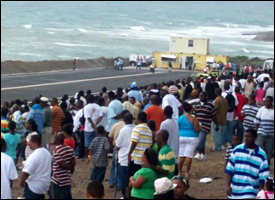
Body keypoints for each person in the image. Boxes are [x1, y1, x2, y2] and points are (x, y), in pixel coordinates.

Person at [226, 129, 270, 199]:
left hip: (251, 191)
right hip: (235, 190)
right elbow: (229, 169)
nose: (246, 139)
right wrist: (228, 186)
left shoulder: (261, 155)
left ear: (255, 138)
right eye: (245, 136)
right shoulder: (237, 150)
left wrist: (260, 192)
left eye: (249, 137)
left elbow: (263, 176)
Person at [127, 112, 152, 198]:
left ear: (138, 119)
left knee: (131, 180)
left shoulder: (136, 128)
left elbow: (134, 142)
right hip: (145, 161)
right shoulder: (149, 130)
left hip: (136, 159)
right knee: (141, 181)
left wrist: (129, 154)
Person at [20, 135, 52, 199]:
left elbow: (26, 172)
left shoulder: (34, 155)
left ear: (35, 143)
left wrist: (22, 181)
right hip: (43, 186)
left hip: (33, 187)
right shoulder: (47, 153)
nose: (28, 144)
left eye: (30, 142)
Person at [178, 102, 201, 179]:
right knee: (189, 155)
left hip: (181, 137)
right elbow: (197, 129)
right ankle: (187, 172)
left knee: (181, 155)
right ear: (191, 110)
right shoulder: (194, 119)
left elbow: (177, 127)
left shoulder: (181, 118)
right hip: (192, 137)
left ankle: (179, 172)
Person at [108, 110, 130, 189]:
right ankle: (119, 184)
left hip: (116, 148)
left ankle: (112, 181)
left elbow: (110, 136)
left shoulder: (116, 125)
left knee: (114, 165)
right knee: (121, 167)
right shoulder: (130, 127)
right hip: (125, 148)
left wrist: (111, 146)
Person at [116, 113, 135, 198]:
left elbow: (118, 144)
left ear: (124, 120)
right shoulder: (136, 128)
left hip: (123, 158)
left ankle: (124, 196)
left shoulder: (123, 130)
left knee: (124, 180)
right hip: (134, 158)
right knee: (132, 179)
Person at [51, 132, 75, 199]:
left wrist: (68, 167)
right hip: (67, 179)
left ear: (57, 139)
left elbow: (62, 164)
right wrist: (70, 169)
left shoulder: (56, 150)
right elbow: (73, 162)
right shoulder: (70, 149)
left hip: (58, 180)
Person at [194, 92, 216, 160]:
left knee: (201, 139)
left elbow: (214, 116)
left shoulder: (210, 105)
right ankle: (202, 154)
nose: (200, 97)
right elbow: (195, 115)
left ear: (206, 97)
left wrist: (217, 125)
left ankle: (198, 152)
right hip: (198, 125)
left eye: (202, 96)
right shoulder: (196, 105)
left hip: (205, 125)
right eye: (200, 96)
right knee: (202, 140)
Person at [255, 96, 274, 165]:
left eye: (268, 101)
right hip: (261, 133)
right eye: (265, 101)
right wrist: (257, 131)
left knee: (268, 151)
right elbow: (257, 122)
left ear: (271, 102)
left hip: (271, 135)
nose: (266, 103)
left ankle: (266, 165)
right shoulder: (261, 109)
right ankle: (259, 163)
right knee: (259, 147)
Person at [160, 106, 179, 171]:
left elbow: (160, 135)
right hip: (176, 146)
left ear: (164, 113)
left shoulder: (164, 123)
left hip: (167, 147)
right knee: (174, 164)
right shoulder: (176, 122)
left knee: (167, 165)